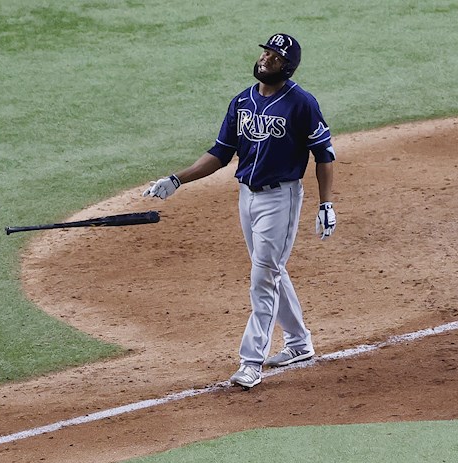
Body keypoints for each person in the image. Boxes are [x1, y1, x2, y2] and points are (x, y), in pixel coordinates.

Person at [142, 33, 337, 389]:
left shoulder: (301, 104)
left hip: (281, 198)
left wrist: (326, 203)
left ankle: (251, 362)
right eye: (265, 52)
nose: (265, 59)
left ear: (287, 66)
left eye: (274, 56)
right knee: (271, 270)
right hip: (246, 196)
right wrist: (176, 180)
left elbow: (323, 154)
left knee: (263, 276)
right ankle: (298, 342)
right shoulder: (242, 102)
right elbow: (220, 153)